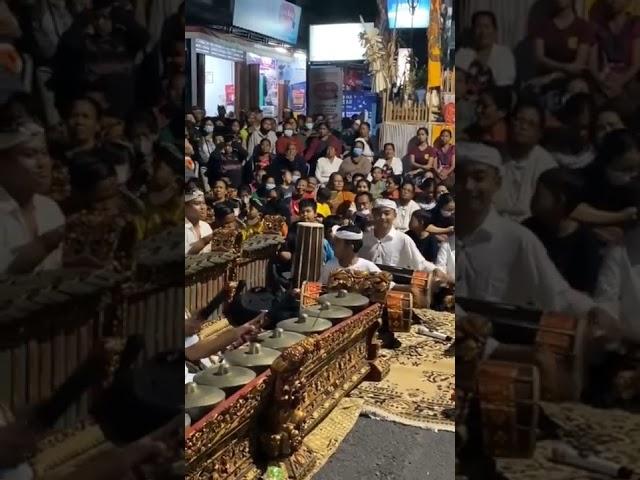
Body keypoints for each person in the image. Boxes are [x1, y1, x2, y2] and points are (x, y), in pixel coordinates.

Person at [455, 142, 621, 356]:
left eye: (478, 178)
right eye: (460, 178)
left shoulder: (518, 239)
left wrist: (593, 312)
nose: (468, 186)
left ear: (497, 182)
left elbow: (556, 293)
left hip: (502, 359)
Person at [523, 167, 603, 295]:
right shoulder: (528, 228)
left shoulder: (585, 243)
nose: (532, 199)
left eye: (538, 194)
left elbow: (583, 293)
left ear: (560, 200)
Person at [0, 122, 65, 274]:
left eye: (44, 153)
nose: (42, 163)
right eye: (29, 155)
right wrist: (46, 243)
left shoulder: (50, 207)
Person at [493, 100, 557, 222]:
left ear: (540, 133)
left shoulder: (546, 164)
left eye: (531, 124)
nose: (523, 127)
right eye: (519, 120)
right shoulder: (492, 155)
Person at [360, 198, 441, 273]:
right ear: (373, 215)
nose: (382, 217)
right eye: (378, 213)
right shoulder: (364, 238)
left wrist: (436, 270)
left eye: (387, 213)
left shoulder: (403, 239)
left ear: (394, 215)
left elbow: (420, 263)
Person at [455, 10, 516, 93]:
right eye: (478, 27)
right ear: (473, 31)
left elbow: (505, 87)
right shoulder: (463, 53)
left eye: (487, 27)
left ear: (495, 31)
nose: (483, 32)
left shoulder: (504, 54)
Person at [532, 0, 594, 79]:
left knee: (578, 87)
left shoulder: (583, 27)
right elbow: (539, 59)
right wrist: (564, 67)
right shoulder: (543, 26)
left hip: (571, 81)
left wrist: (554, 75)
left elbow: (578, 67)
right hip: (546, 80)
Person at [184, 189, 212, 255]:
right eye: (197, 203)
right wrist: (205, 240)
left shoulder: (206, 226)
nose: (203, 207)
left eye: (204, 203)